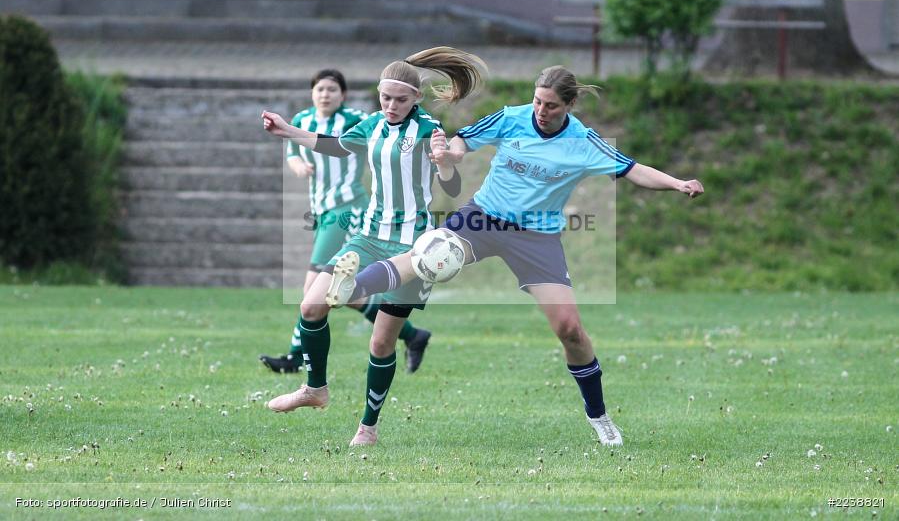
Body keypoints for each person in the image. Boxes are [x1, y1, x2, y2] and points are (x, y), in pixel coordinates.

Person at [327, 65, 705, 447]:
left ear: (570, 105)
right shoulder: (512, 118)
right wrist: (450, 154)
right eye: (538, 101)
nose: (541, 110)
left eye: (552, 106)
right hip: (483, 217)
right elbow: (463, 140)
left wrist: (677, 183)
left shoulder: (583, 142)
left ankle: (599, 416)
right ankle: (351, 287)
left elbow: (632, 169)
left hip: (536, 238)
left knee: (570, 330)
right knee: (427, 254)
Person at [261, 47, 486, 446]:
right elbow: (336, 144)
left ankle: (368, 427)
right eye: (385, 98)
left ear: (416, 98)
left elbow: (451, 187)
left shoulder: (428, 130)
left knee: (381, 342)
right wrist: (288, 131)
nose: (391, 106)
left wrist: (445, 163)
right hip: (366, 235)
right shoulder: (370, 125)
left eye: (400, 99)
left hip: (414, 249)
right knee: (311, 306)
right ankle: (315, 389)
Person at [259, 69, 432, 375]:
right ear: (312, 93)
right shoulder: (303, 118)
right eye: (320, 89)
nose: (325, 94)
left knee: (314, 286)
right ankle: (411, 335)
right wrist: (294, 155)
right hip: (323, 210)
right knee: (343, 294)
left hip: (347, 208)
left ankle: (297, 356)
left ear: (343, 95)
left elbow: (342, 144)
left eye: (332, 89)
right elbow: (295, 148)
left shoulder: (357, 118)